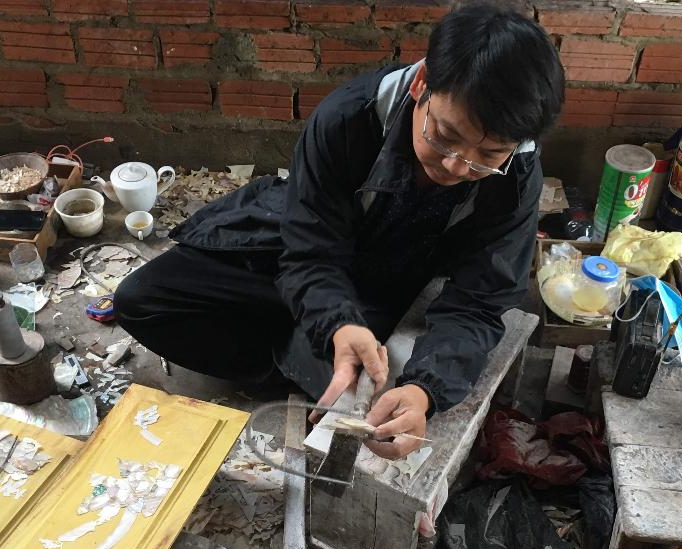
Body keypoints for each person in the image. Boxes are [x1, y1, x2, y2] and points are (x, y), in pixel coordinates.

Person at [114, 1, 565, 460]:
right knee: (141, 301)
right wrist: (336, 322)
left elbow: (481, 300)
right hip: (307, 244)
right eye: (445, 137)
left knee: (378, 398)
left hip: (393, 282)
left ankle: (307, 350)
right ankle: (296, 352)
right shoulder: (348, 118)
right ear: (422, 83)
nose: (456, 166)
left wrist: (424, 391)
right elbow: (310, 248)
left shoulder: (517, 175)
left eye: (487, 156)